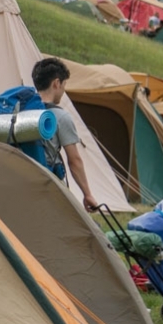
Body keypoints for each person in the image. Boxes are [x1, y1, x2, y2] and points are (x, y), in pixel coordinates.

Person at [32, 58, 99, 212]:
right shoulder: (60, 117)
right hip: (48, 184)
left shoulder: (22, 111)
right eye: (64, 85)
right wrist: (87, 194)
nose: (63, 91)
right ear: (57, 83)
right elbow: (74, 161)